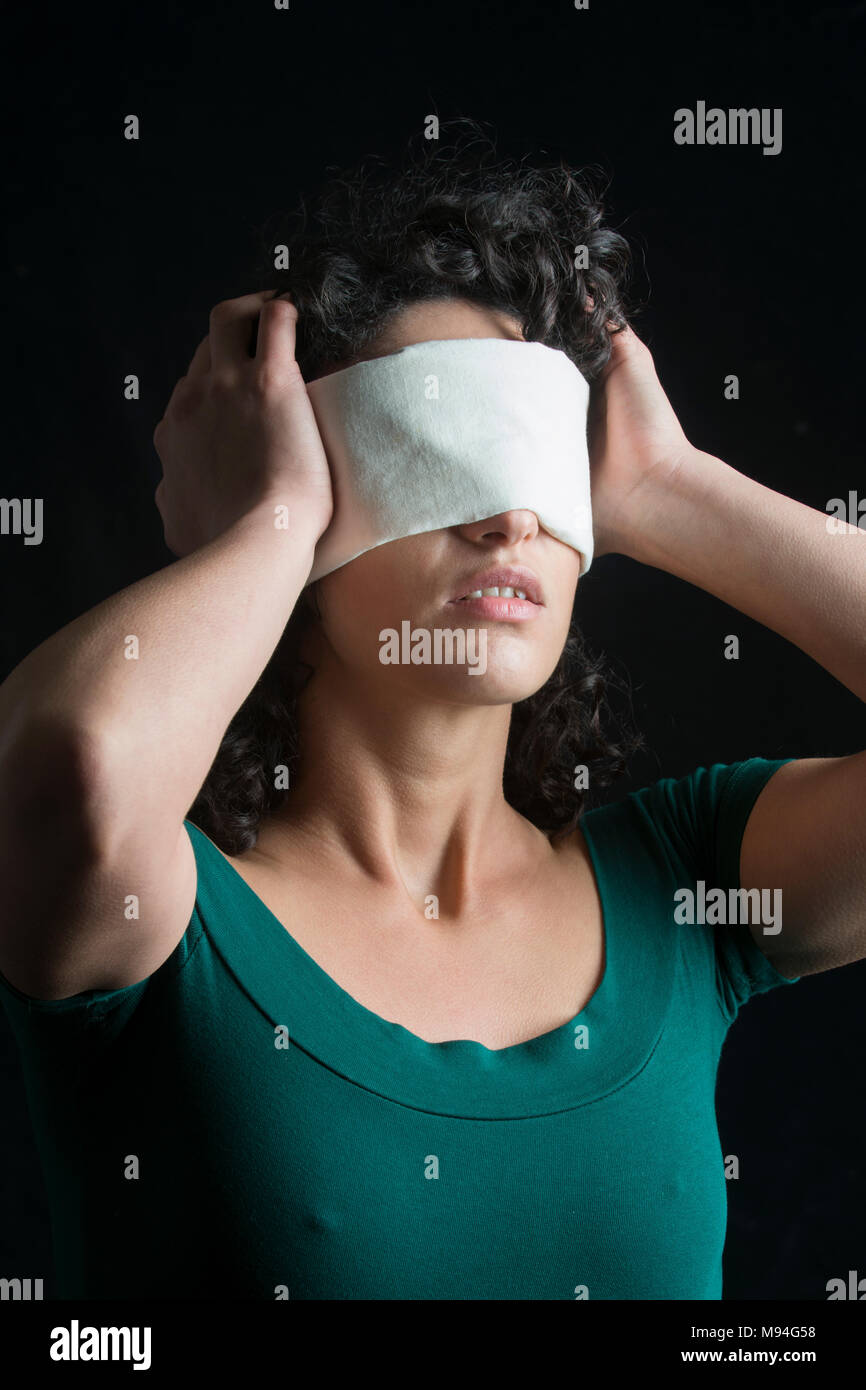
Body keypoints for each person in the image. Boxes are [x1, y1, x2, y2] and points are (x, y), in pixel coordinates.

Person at [1, 128, 864, 1301]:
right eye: (439, 444)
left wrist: (673, 491)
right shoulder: (161, 919)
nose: (509, 520)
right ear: (301, 482)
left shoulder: (685, 882)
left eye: (538, 457)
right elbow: (75, 765)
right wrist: (261, 528)